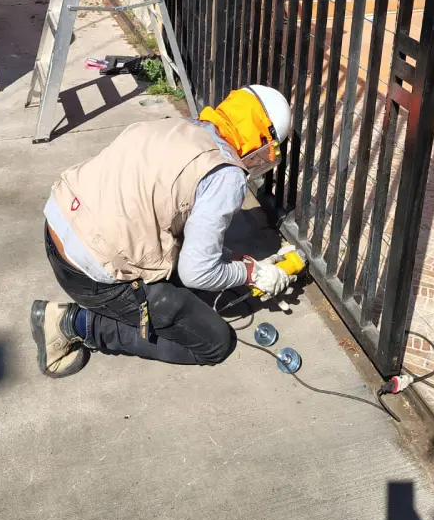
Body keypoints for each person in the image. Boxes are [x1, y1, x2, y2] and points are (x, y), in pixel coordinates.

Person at [31, 84, 294, 378]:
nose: (265, 159)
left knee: (181, 279)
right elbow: (198, 272)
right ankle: (72, 323)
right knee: (213, 343)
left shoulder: (179, 128)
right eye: (270, 149)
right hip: (89, 273)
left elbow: (168, 212)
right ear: (259, 138)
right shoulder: (226, 176)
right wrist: (252, 273)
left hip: (58, 222)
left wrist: (235, 260)